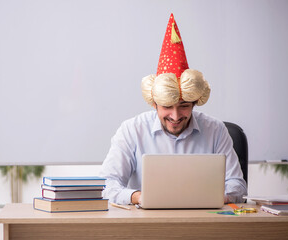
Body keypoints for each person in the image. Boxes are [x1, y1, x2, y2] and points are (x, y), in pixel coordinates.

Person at [99, 13, 247, 205]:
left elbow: (237, 184)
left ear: (194, 103)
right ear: (154, 104)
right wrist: (139, 196)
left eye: (184, 106)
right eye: (167, 106)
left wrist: (215, 196)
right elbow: (107, 185)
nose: (175, 116)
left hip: (203, 223)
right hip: (147, 226)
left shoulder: (216, 130)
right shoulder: (131, 130)